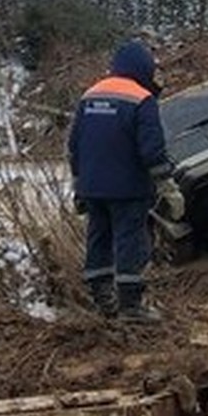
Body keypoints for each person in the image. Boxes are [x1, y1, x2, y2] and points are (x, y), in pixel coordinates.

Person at [68, 39, 171, 322]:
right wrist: (168, 186)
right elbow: (152, 150)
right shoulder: (142, 99)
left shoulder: (89, 95)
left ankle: (103, 300)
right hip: (128, 189)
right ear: (144, 69)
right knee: (130, 242)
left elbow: (75, 145)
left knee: (98, 238)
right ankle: (131, 307)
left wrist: (79, 185)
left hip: (92, 188)